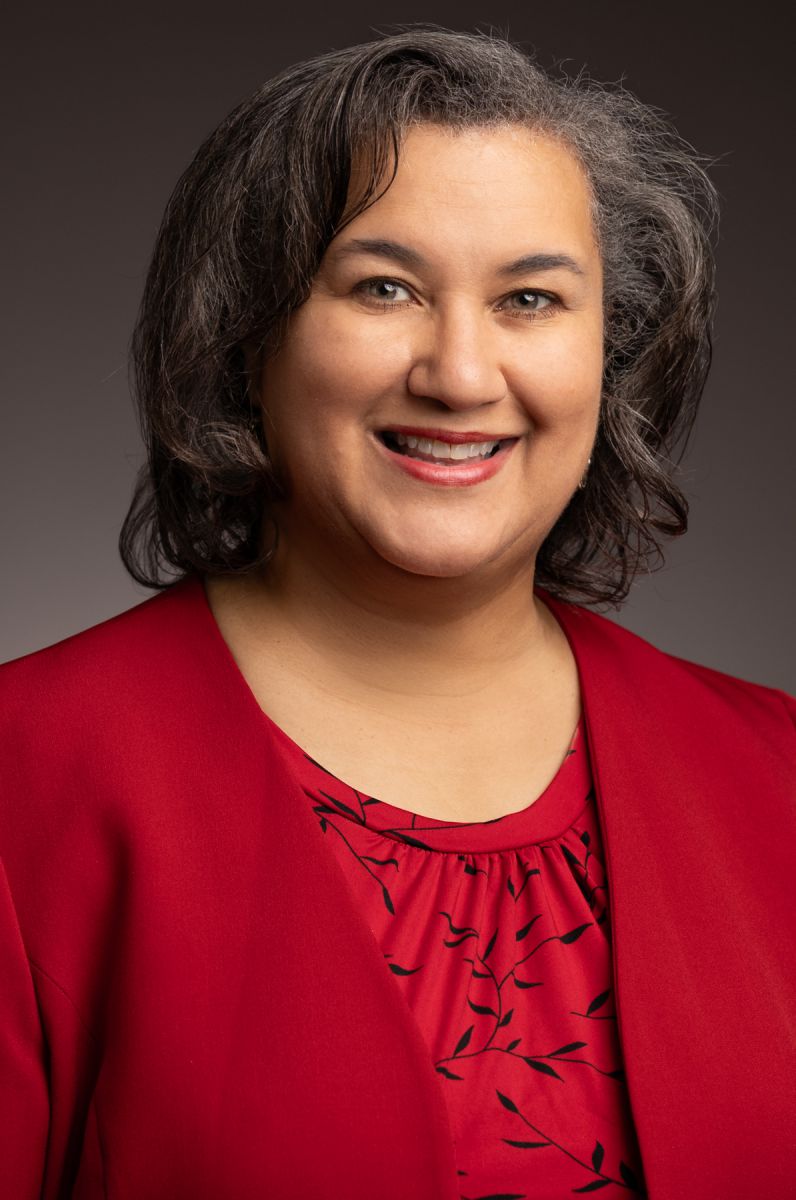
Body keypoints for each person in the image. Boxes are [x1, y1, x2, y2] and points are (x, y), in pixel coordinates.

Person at [1, 26, 793, 1200]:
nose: (461, 374)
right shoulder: (25, 777)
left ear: (610, 356)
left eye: (530, 298)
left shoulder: (774, 774)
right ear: (247, 336)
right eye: (384, 288)